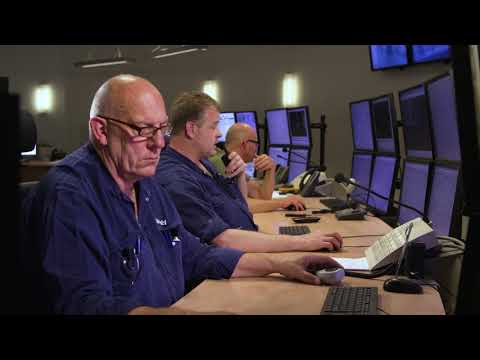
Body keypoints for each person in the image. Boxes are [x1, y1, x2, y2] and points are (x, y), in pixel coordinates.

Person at [21, 75, 342, 315]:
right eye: (142, 131)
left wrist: (280, 265)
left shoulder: (146, 185)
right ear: (101, 131)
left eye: (160, 130)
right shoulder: (71, 194)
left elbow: (194, 256)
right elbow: (85, 304)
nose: (159, 144)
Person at [155, 91, 343, 253]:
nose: (219, 134)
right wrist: (301, 242)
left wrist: (239, 178)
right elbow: (223, 239)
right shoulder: (176, 177)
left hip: (246, 247)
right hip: (225, 269)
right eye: (213, 126)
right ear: (191, 129)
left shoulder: (203, 164)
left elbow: (241, 209)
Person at [209, 123, 306, 213]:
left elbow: (262, 196)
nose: (257, 148)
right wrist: (283, 202)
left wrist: (270, 169)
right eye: (256, 143)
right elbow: (239, 205)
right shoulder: (219, 162)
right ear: (245, 144)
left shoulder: (232, 161)